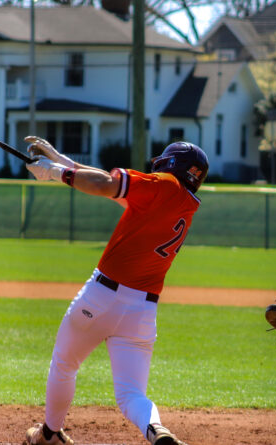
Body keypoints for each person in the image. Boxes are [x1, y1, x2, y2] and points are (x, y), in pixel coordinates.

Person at [21, 136, 208, 445]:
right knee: (131, 394)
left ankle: (50, 433)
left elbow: (107, 184)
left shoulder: (162, 184)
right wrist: (62, 160)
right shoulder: (184, 203)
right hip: (142, 312)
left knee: (65, 364)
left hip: (101, 297)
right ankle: (156, 431)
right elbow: (113, 191)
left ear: (170, 163)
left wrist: (57, 173)